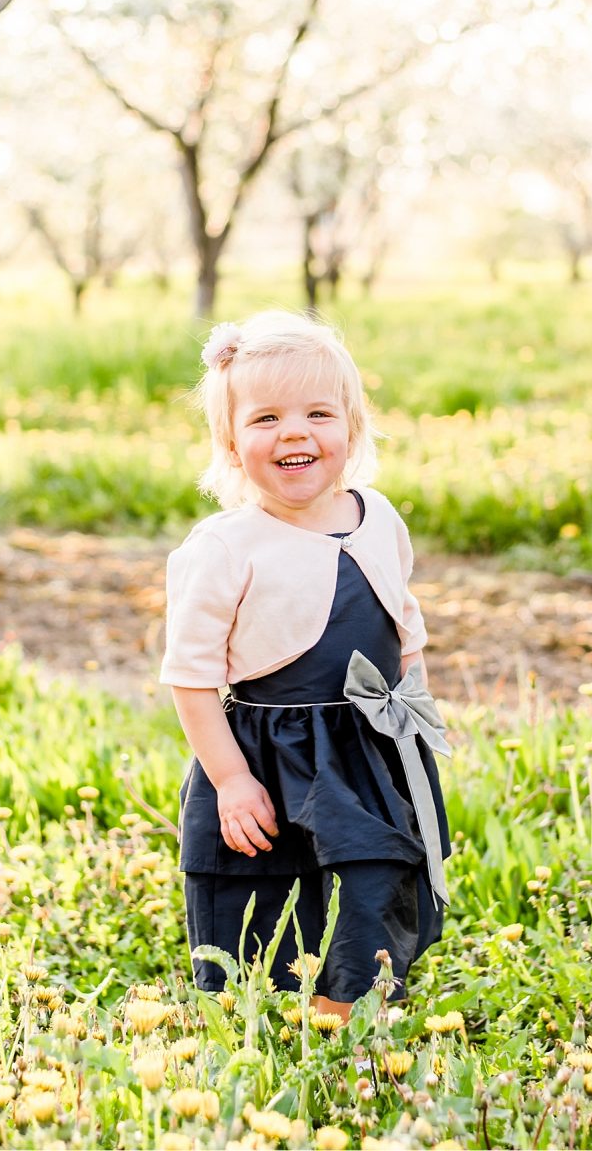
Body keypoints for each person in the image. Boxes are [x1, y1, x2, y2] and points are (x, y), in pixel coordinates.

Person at [160, 309, 452, 1020]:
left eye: (317, 413)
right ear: (230, 442)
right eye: (265, 419)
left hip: (369, 743)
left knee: (375, 871)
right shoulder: (226, 547)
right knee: (263, 887)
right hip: (270, 750)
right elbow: (190, 675)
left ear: (351, 429)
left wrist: (413, 729)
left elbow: (401, 623)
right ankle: (270, 1016)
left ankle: (354, 1008)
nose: (294, 432)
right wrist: (230, 781)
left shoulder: (377, 515)